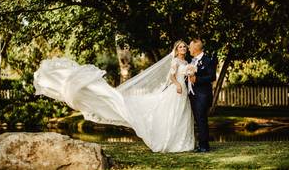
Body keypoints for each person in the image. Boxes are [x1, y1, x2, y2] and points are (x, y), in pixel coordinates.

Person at [34, 40, 195, 152]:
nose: (183, 49)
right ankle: (172, 143)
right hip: (176, 91)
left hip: (182, 93)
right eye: (181, 47)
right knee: (173, 114)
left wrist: (190, 73)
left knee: (181, 115)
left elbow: (187, 77)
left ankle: (182, 143)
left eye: (184, 47)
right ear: (176, 49)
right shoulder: (175, 62)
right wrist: (178, 84)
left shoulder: (186, 62)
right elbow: (171, 77)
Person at [188, 39, 216, 153]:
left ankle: (204, 146)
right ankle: (201, 145)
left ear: (195, 49)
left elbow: (212, 77)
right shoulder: (191, 61)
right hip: (193, 95)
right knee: (198, 121)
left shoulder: (207, 60)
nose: (189, 49)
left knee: (201, 120)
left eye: (190, 47)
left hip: (202, 95)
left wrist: (197, 79)